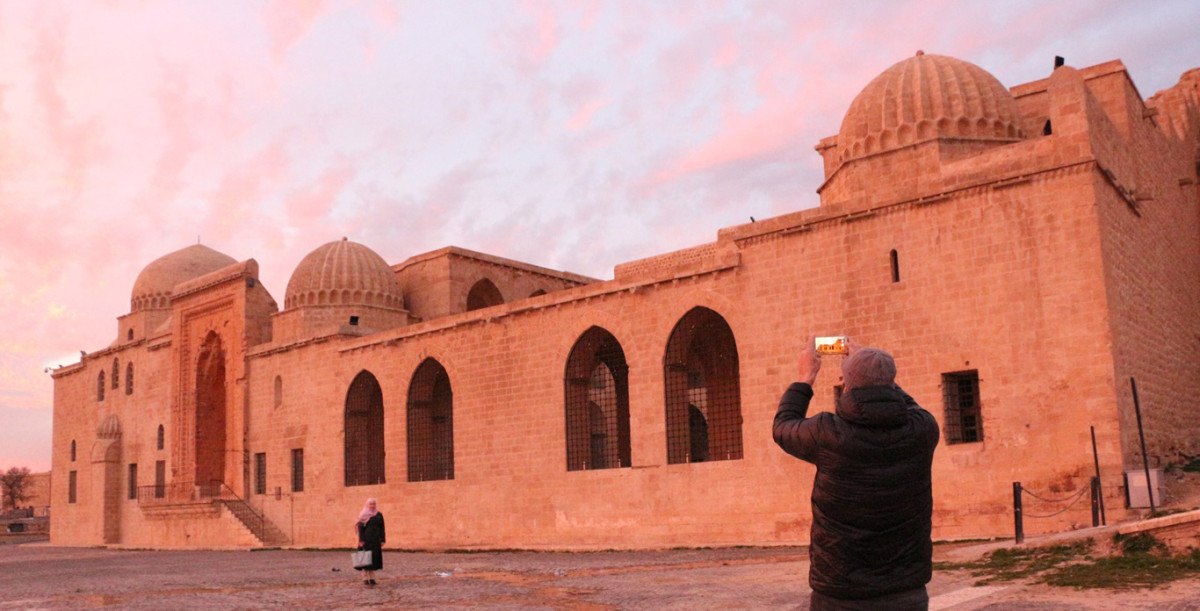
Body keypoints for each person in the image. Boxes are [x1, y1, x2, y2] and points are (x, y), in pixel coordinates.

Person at [773, 338, 939, 610]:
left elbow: (783, 426)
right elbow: (909, 406)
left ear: (847, 383)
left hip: (841, 592)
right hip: (906, 589)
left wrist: (806, 377)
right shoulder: (923, 429)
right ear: (892, 381)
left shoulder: (828, 433)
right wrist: (877, 373)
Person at [355, 498, 386, 586]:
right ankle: (365, 577)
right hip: (366, 540)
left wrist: (383, 539)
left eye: (373, 504)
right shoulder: (363, 515)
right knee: (365, 558)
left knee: (373, 558)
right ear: (367, 505)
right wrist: (361, 540)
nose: (372, 506)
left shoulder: (379, 515)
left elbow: (382, 528)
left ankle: (372, 577)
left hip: (376, 540)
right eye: (370, 504)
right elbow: (361, 528)